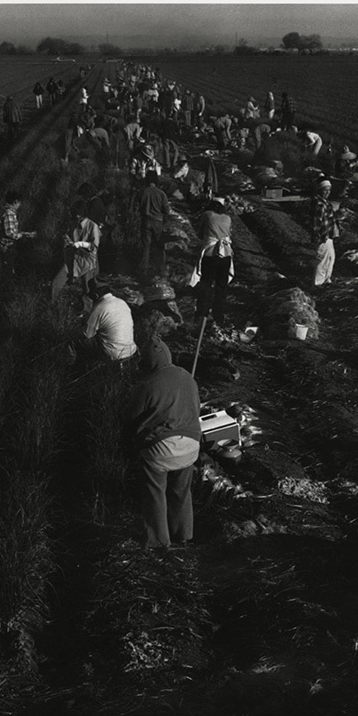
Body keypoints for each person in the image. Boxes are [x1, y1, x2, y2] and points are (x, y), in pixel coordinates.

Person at [124, 337, 201, 549]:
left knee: (155, 493)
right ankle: (183, 534)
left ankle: (158, 542)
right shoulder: (187, 376)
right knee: (181, 491)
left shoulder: (149, 384)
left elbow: (131, 416)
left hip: (163, 450)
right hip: (192, 445)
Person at [190, 198, 234, 329]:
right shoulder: (227, 218)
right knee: (221, 287)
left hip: (210, 254)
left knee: (206, 283)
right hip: (225, 255)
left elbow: (199, 231)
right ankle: (218, 316)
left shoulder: (207, 215)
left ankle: (202, 313)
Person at [51, 201, 101, 304]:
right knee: (55, 284)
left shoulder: (93, 226)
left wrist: (80, 244)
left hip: (88, 261)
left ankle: (88, 313)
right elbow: (70, 237)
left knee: (88, 291)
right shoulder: (74, 223)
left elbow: (94, 247)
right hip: (73, 259)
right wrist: (67, 240)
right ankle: (51, 304)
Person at [80, 282, 138, 362]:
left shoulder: (99, 307)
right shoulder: (122, 302)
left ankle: (82, 367)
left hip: (113, 355)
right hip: (130, 351)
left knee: (81, 340)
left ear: (96, 295)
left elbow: (87, 335)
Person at [138, 170, 170, 279]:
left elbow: (137, 207)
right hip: (158, 222)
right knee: (159, 247)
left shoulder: (142, 192)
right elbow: (167, 210)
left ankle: (143, 271)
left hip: (145, 221)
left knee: (145, 247)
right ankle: (160, 270)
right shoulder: (161, 193)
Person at [0, 191, 36, 273]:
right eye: (19, 202)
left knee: (8, 264)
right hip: (7, 246)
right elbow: (10, 233)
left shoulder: (6, 211)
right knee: (8, 266)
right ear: (15, 201)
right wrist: (22, 235)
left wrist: (25, 234)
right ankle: (8, 281)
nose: (20, 205)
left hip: (6, 244)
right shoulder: (9, 214)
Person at [311, 178, 340, 286]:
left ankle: (327, 280)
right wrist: (317, 236)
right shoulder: (320, 204)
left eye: (329, 190)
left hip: (328, 236)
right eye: (325, 190)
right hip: (323, 236)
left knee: (330, 258)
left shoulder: (325, 202)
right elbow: (316, 222)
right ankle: (317, 283)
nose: (327, 192)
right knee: (322, 260)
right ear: (320, 190)